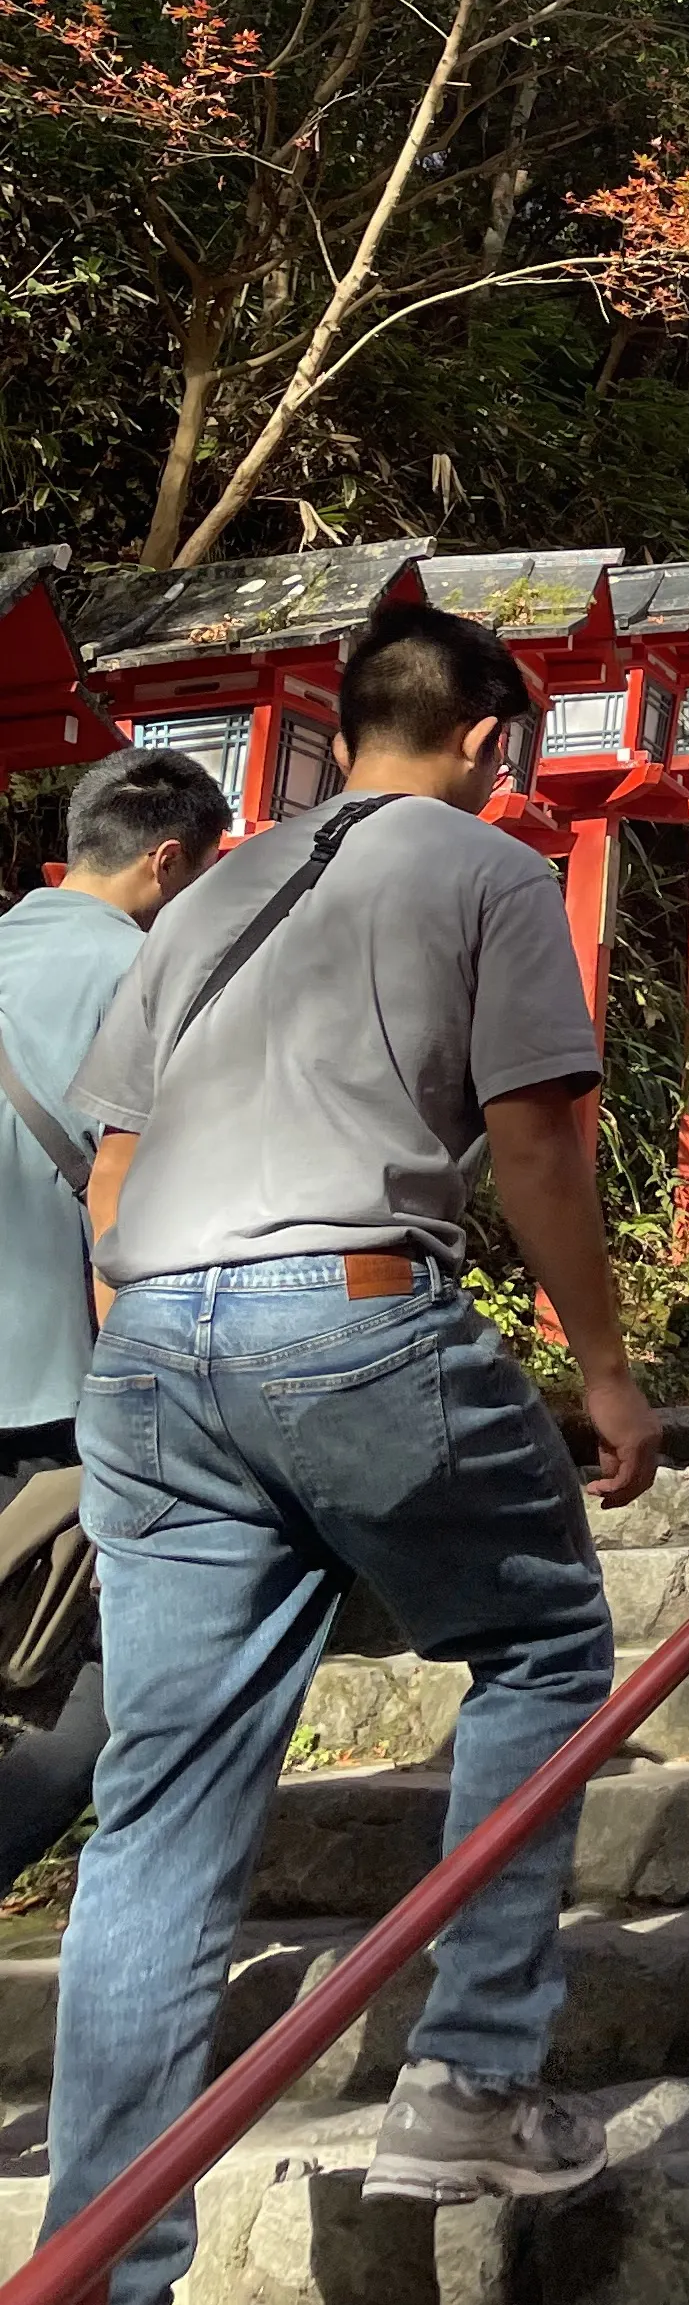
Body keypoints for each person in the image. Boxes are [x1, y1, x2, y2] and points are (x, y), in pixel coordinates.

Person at [46, 604, 663, 2305]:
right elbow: (536, 1133)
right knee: (540, 1643)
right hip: (351, 1297)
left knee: (163, 1806)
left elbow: (111, 1168)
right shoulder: (484, 871)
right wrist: (605, 1372)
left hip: (154, 1331)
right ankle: (469, 2074)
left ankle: (97, 2277)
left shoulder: (216, 886)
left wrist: (163, 1354)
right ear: (485, 737)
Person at [0, 744, 230, 1890]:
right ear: (167, 860)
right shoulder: (149, 981)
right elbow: (158, 1193)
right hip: (62, 1398)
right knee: (89, 1700)